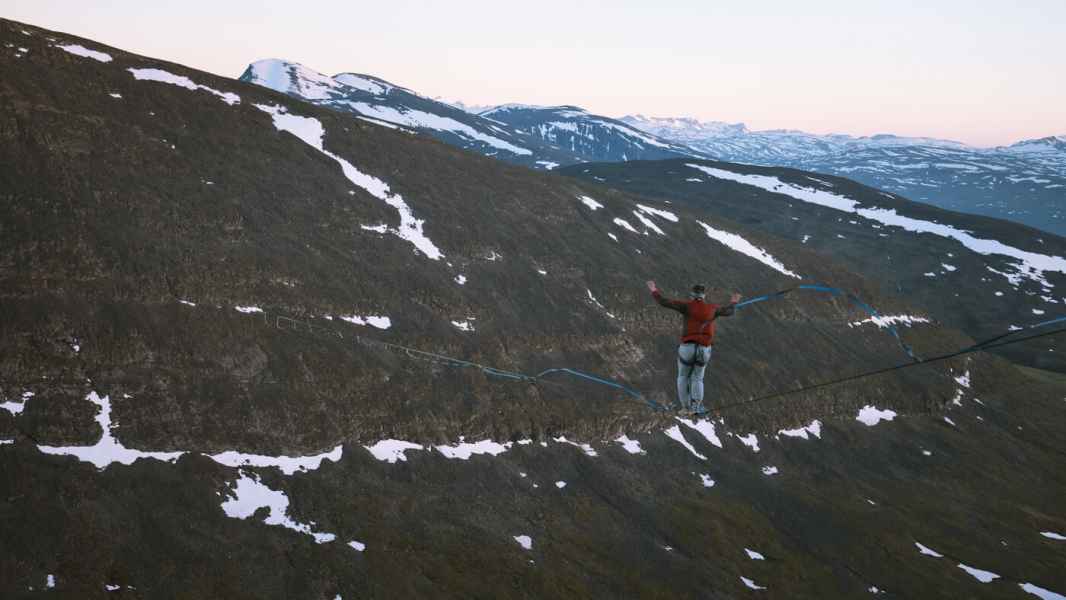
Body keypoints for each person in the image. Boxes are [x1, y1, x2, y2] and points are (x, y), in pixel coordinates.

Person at [646, 280, 741, 414]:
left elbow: (664, 302)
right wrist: (734, 301)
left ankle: (686, 408)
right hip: (704, 349)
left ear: (692, 295)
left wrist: (653, 289)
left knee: (683, 377)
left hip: (688, 347)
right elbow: (729, 311)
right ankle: (696, 407)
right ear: (704, 295)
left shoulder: (686, 306)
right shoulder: (713, 309)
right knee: (697, 378)